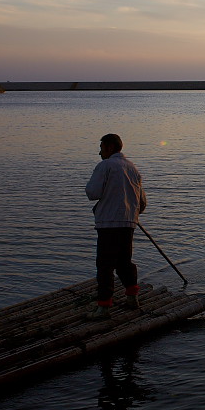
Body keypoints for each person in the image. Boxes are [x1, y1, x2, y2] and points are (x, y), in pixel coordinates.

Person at [85, 133, 147, 319]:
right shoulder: (132, 168)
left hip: (108, 225)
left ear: (110, 147)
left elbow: (92, 193)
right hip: (128, 223)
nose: (99, 152)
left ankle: (103, 307)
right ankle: (132, 298)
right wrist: (130, 213)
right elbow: (142, 203)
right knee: (124, 262)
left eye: (102, 148)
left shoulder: (106, 166)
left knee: (105, 265)